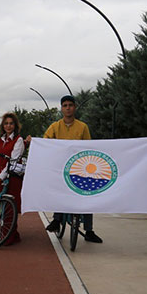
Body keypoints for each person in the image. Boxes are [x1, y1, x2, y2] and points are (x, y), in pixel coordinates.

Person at [42, 95, 103, 243]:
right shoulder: (55, 127)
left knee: (87, 195)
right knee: (59, 191)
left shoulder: (82, 127)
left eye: (70, 105)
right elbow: (45, 143)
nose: (68, 108)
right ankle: (57, 220)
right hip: (61, 168)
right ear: (61, 108)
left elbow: (89, 147)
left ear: (74, 107)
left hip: (79, 168)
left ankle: (89, 230)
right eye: (65, 105)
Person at [0, 112, 25, 245]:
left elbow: (12, 161)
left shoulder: (18, 140)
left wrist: (1, 176)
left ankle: (8, 237)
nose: (8, 126)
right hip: (0, 178)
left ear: (15, 125)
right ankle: (12, 234)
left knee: (10, 208)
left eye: (11, 123)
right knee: (2, 207)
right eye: (6, 123)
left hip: (12, 178)